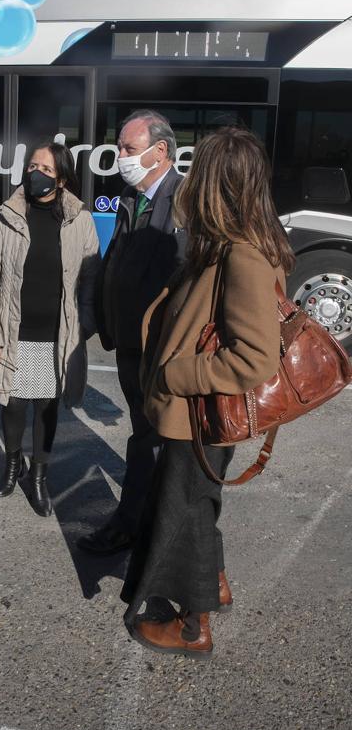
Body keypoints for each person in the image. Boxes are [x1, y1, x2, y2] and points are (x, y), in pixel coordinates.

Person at [121, 127, 295, 657]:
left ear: (219, 183)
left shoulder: (243, 254)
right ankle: (213, 582)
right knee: (197, 500)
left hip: (196, 408)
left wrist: (178, 375)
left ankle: (193, 625)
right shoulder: (229, 243)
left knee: (185, 512)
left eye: (201, 172)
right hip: (198, 411)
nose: (191, 181)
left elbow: (256, 356)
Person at [0, 141, 100, 516]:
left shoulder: (80, 219)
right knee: (12, 403)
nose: (36, 174)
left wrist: (85, 326)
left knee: (46, 407)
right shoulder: (7, 215)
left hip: (56, 335)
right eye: (32, 166)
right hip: (14, 330)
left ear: (61, 178)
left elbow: (92, 280)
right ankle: (13, 464)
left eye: (45, 168)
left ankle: (39, 477)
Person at [78, 110, 185, 555]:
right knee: (146, 433)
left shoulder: (185, 199)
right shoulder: (131, 198)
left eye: (128, 148)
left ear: (160, 151)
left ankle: (138, 527)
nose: (119, 156)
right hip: (128, 342)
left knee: (154, 438)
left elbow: (184, 278)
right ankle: (147, 523)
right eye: (120, 147)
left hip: (160, 349)